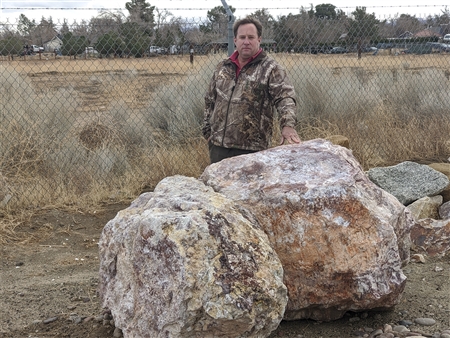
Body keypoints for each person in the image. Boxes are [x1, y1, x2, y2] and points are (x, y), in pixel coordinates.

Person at [202, 16, 301, 164]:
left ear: (259, 39)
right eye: (242, 37)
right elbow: (210, 99)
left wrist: (287, 125)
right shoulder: (223, 67)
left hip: (252, 150)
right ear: (235, 40)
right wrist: (207, 131)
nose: (246, 42)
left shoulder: (271, 69)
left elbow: (285, 98)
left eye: (251, 37)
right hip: (219, 147)